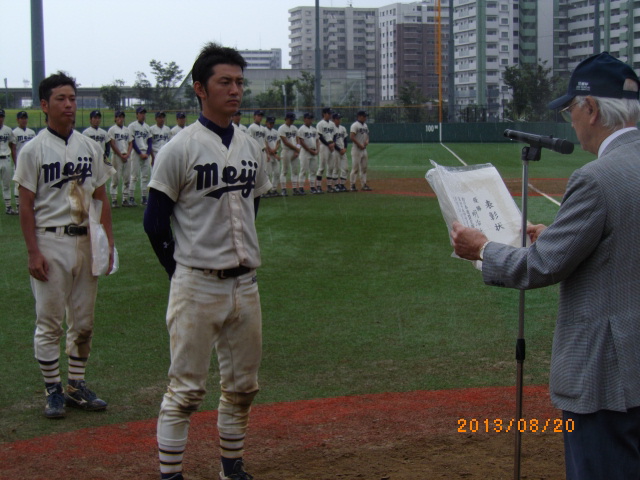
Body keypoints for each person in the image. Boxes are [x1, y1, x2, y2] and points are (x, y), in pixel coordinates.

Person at [450, 52, 640, 480]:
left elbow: (540, 266)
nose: (571, 119)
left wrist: (482, 249)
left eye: (572, 108)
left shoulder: (595, 178)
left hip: (604, 378)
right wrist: (558, 234)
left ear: (592, 110)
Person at [144, 42, 271, 480]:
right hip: (196, 284)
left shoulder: (251, 145)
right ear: (200, 88)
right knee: (185, 391)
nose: (235, 90)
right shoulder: (179, 148)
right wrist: (179, 271)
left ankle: (231, 468)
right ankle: (171, 475)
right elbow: (154, 222)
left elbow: (251, 207)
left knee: (243, 387)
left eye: (239, 82)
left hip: (245, 285)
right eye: (225, 82)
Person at [12, 71, 115, 419]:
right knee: (50, 321)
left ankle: (75, 384)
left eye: (72, 98)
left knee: (83, 321)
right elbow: (26, 204)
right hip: (50, 239)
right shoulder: (33, 149)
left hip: (86, 239)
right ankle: (52, 389)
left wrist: (108, 243)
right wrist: (33, 252)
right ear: (44, 105)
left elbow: (100, 196)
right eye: (61, 99)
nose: (69, 104)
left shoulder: (90, 147)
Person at [128, 106, 153, 206]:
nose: (143, 115)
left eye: (144, 113)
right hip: (136, 153)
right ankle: (131, 197)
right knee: (134, 176)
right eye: (141, 113)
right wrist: (140, 153)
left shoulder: (147, 127)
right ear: (137, 115)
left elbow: (150, 141)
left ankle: (144, 197)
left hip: (146, 153)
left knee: (145, 176)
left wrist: (147, 153)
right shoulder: (132, 126)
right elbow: (132, 142)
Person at [107, 110, 133, 207]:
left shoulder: (127, 130)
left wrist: (128, 154)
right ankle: (114, 200)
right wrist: (121, 155)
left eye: (122, 117)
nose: (120, 119)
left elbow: (131, 143)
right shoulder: (112, 130)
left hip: (127, 156)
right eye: (118, 117)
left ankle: (125, 199)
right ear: (115, 118)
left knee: (127, 178)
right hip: (117, 156)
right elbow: (112, 144)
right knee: (115, 179)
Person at [12, 111, 36, 210]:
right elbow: (13, 149)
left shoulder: (32, 132)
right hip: (20, 160)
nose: (24, 120)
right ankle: (18, 205)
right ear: (17, 120)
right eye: (21, 118)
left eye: (25, 118)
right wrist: (16, 162)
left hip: (31, 161)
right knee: (18, 182)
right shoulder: (14, 132)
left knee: (32, 182)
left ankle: (32, 204)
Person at [277, 111, 300, 197]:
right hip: (286, 150)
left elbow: (298, 139)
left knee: (295, 170)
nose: (292, 121)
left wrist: (297, 149)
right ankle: (283, 189)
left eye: (293, 120)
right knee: (284, 171)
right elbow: (285, 142)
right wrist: (296, 148)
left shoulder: (294, 128)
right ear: (286, 119)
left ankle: (295, 189)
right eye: (291, 119)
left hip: (294, 151)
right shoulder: (282, 128)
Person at [296, 112, 319, 195]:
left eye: (311, 119)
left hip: (314, 151)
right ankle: (301, 188)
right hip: (305, 152)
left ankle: (312, 187)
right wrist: (310, 150)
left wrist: (317, 150)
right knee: (303, 170)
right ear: (304, 119)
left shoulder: (314, 129)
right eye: (308, 118)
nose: (310, 120)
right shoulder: (301, 129)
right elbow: (301, 141)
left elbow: (317, 140)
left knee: (313, 170)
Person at [0, 109, 18, 214]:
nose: (0, 118)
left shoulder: (8, 130)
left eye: (2, 116)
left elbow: (13, 146)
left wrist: (15, 162)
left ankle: (8, 207)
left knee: (6, 184)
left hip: (6, 158)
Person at [349, 110, 372, 192]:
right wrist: (359, 144)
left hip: (364, 149)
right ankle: (352, 185)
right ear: (359, 116)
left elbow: (367, 135)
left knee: (364, 168)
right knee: (355, 168)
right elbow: (351, 137)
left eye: (365, 116)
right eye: (364, 116)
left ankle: (364, 184)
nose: (365, 118)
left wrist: (367, 141)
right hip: (356, 149)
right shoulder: (355, 125)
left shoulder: (365, 125)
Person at [315, 107, 336, 192]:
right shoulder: (320, 124)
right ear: (324, 114)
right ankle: (318, 186)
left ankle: (329, 186)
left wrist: (333, 143)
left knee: (331, 166)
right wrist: (328, 144)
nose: (330, 115)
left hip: (331, 145)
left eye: (331, 113)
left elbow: (334, 135)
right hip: (324, 146)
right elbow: (320, 136)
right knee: (322, 167)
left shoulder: (332, 124)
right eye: (328, 113)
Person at [331, 112, 349, 192]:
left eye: (339, 119)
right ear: (334, 120)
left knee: (345, 168)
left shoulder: (343, 128)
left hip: (343, 151)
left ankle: (342, 185)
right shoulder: (332, 129)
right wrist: (339, 150)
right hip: (335, 151)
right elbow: (332, 141)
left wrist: (345, 148)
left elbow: (345, 139)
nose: (339, 120)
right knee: (336, 168)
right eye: (337, 119)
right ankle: (336, 186)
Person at [264, 115, 281, 197]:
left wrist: (275, 150)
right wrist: (273, 153)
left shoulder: (275, 131)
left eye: (272, 123)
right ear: (266, 123)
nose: (271, 124)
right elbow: (265, 143)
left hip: (275, 154)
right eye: (270, 123)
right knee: (268, 173)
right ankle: (267, 190)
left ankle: (274, 189)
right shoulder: (264, 131)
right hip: (268, 154)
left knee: (277, 172)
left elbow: (278, 143)